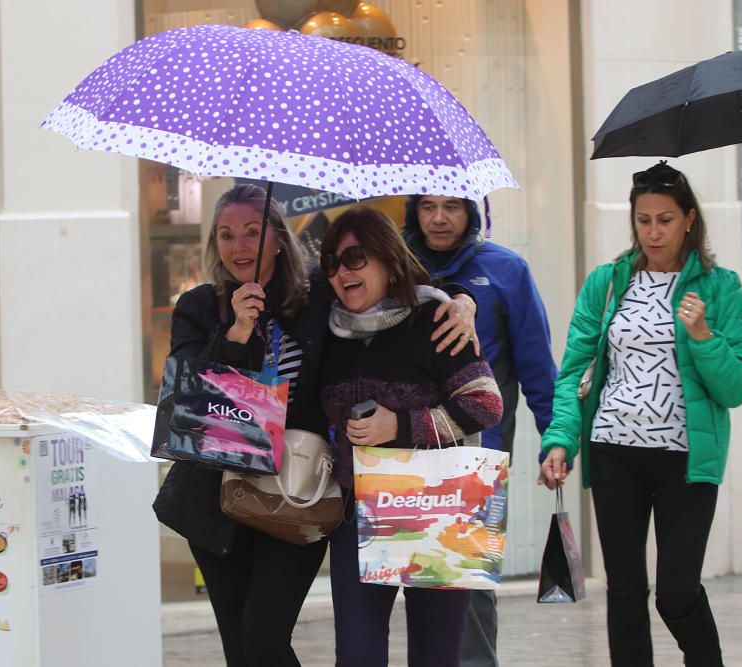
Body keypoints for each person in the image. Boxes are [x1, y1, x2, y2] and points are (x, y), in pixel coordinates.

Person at [152, 184, 479, 667]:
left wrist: (461, 299)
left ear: (279, 239)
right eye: (225, 235)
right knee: (240, 649)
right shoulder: (199, 308)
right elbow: (188, 397)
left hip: (297, 493)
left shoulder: (317, 297)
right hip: (214, 499)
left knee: (264, 636)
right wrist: (237, 333)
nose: (238, 246)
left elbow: (388, 285)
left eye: (251, 232)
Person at [540, 162, 742, 667]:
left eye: (665, 219)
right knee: (625, 591)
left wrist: (703, 336)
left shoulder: (720, 288)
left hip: (686, 459)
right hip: (614, 451)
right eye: (643, 219)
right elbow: (573, 372)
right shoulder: (607, 283)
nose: (653, 232)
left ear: (689, 220)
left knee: (676, 594)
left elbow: (735, 388)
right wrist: (561, 440)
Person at [318, 206, 504, 667]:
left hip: (440, 507)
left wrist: (398, 427)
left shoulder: (435, 318)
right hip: (357, 512)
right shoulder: (328, 330)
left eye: (356, 257)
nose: (342, 272)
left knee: (436, 656)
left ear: (387, 258)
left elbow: (486, 404)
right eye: (332, 263)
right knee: (357, 657)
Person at [403, 194, 558, 667]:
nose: (439, 217)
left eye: (452, 206)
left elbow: (536, 366)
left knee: (468, 594)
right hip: (404, 453)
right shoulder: (395, 268)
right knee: (419, 591)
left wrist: (555, 440)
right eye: (427, 206)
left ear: (472, 211)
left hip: (477, 454)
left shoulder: (506, 270)